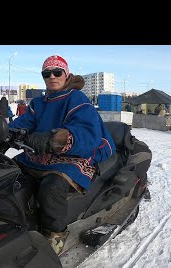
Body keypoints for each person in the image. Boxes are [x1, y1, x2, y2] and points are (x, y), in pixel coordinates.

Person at [8, 55, 116, 254]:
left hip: (74, 155)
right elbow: (22, 124)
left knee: (51, 188)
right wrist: (2, 131)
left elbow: (86, 131)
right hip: (39, 155)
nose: (52, 77)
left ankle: (54, 238)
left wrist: (56, 138)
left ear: (66, 75)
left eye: (57, 72)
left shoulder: (78, 99)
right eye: (46, 73)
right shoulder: (38, 103)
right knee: (7, 174)